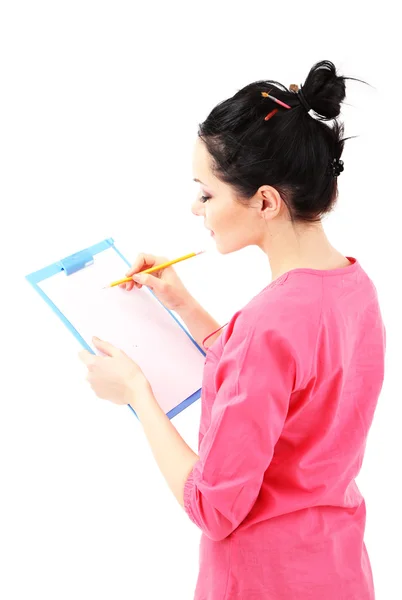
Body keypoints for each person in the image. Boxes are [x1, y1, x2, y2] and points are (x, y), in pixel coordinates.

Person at [79, 60, 386, 599]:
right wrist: (185, 304)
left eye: (206, 193)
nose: (196, 208)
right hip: (338, 572)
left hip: (263, 582)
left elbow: (213, 507)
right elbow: (287, 381)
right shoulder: (354, 287)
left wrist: (136, 394)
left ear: (265, 201)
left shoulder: (268, 324)